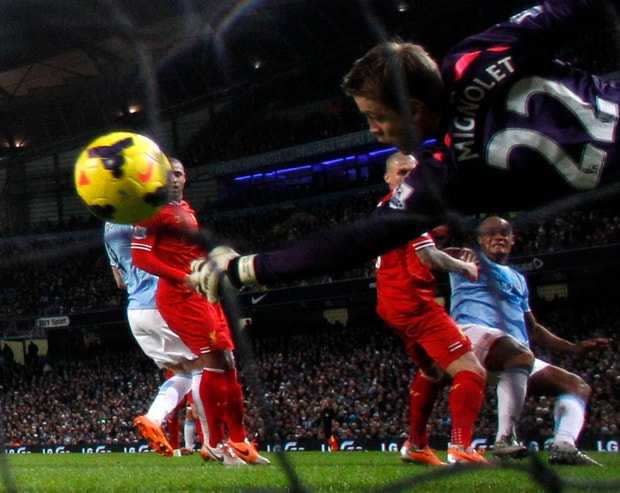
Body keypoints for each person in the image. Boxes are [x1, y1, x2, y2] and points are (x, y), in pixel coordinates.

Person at [189, 0, 620, 303]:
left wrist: (244, 269)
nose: (374, 131)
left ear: (413, 110)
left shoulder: (450, 174)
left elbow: (355, 241)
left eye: (376, 117)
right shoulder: (477, 54)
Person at [131, 157, 270, 466]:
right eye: (167, 175)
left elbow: (190, 252)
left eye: (178, 174)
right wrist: (183, 278)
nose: (173, 179)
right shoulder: (151, 213)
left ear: (185, 177)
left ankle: (239, 441)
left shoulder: (186, 210)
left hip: (204, 294)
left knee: (229, 363)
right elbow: (141, 259)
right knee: (211, 364)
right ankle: (215, 443)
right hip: (180, 297)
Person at [449, 216, 613, 466]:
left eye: (504, 233)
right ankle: (505, 439)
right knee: (519, 354)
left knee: (576, 385)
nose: (498, 237)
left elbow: (533, 328)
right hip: (471, 339)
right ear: (479, 240)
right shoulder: (468, 262)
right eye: (491, 233)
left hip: (512, 354)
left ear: (513, 240)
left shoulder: (518, 279)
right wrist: (455, 253)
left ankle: (564, 446)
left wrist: (573, 348)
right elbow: (436, 255)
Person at [376, 152, 488, 465]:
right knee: (471, 370)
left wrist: (442, 249)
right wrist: (464, 267)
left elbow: (418, 249)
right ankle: (461, 448)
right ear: (388, 178)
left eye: (413, 172)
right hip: (415, 304)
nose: (408, 178)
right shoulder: (407, 210)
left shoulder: (386, 208)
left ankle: (416, 445)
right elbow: (428, 257)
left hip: (392, 304)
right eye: (401, 172)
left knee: (432, 372)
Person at [104, 221, 195, 457]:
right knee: (208, 367)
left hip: (135, 310)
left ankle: (153, 419)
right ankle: (217, 444)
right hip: (161, 303)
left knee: (184, 373)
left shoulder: (108, 229)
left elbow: (120, 282)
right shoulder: (139, 220)